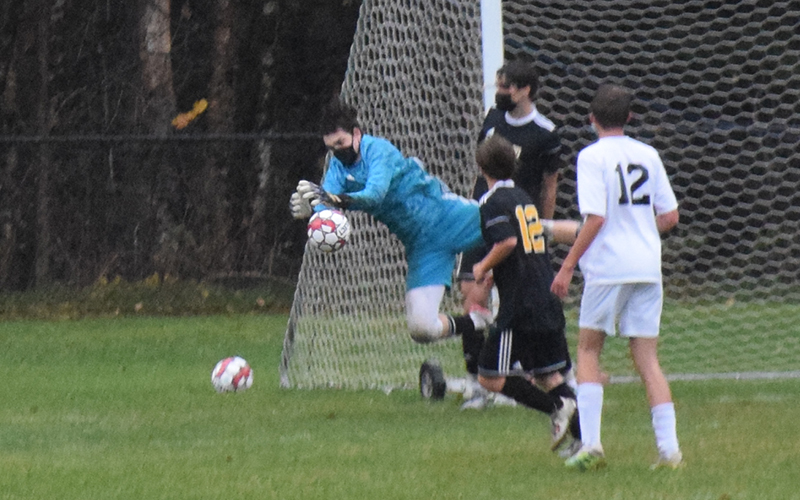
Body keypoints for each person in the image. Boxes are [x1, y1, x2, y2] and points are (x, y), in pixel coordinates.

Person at [550, 83, 683, 471]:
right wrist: (640, 233)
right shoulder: (649, 154)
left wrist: (568, 264)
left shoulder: (592, 157)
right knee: (648, 359)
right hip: (646, 266)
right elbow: (670, 216)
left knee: (589, 350)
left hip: (608, 267)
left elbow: (596, 218)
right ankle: (670, 451)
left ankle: (591, 444)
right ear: (629, 118)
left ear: (591, 118)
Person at [289, 98, 494, 348]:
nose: (337, 151)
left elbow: (375, 194)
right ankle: (479, 321)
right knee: (422, 328)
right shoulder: (338, 168)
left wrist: (333, 199)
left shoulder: (378, 150)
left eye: (340, 143)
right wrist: (312, 212)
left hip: (447, 216)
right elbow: (327, 205)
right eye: (331, 147)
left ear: (356, 134)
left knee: (529, 227)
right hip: (423, 246)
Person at [457, 60, 570, 415]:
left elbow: (550, 185)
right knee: (473, 297)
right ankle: (480, 382)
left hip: (518, 227)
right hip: (486, 220)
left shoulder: (545, 132)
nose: (500, 92)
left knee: (517, 301)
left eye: (505, 86)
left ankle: (523, 382)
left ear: (524, 89)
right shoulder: (492, 120)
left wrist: (543, 230)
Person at [471, 134, 577, 452]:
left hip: (520, 304)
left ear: (481, 167)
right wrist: (496, 271)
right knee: (551, 378)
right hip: (544, 294)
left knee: (488, 376)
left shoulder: (491, 202)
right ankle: (583, 441)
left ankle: (555, 410)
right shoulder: (524, 198)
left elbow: (507, 243)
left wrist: (482, 268)